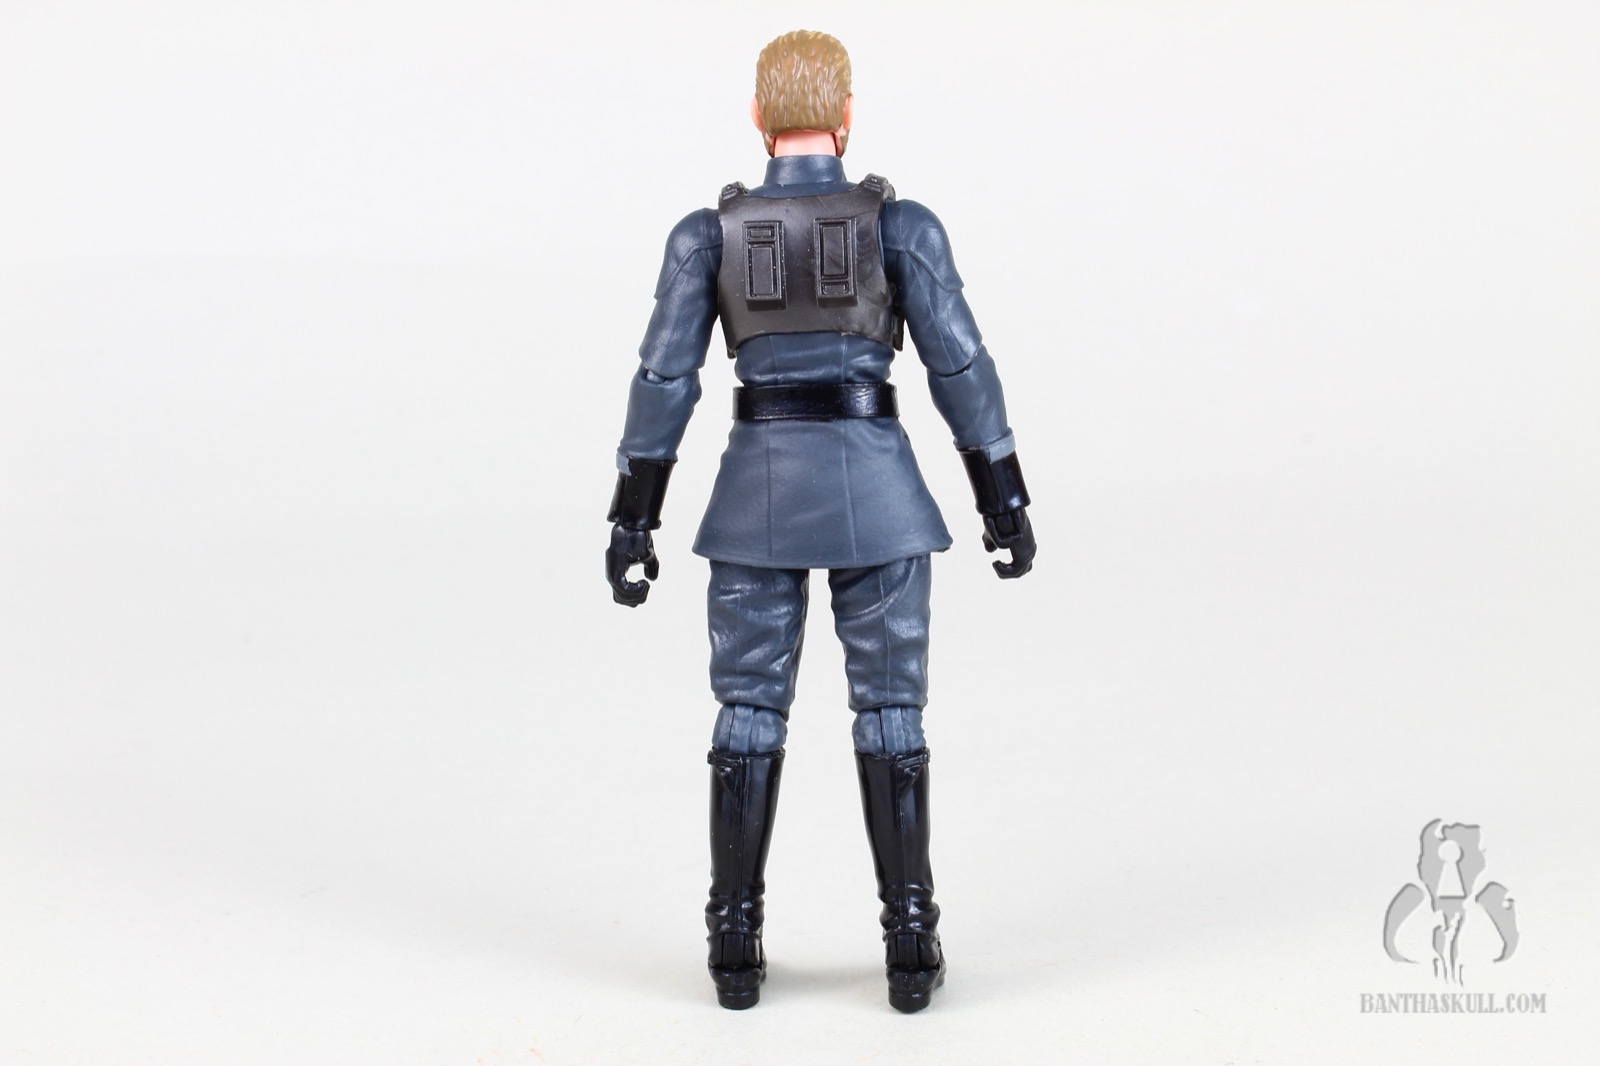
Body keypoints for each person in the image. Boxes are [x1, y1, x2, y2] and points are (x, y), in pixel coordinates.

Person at [604, 29, 1036, 1013]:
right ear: (846, 116)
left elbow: (664, 380)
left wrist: (635, 514)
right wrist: (1001, 494)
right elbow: (960, 367)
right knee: (891, 710)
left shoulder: (708, 237)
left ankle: (733, 937)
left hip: (755, 498)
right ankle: (910, 937)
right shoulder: (900, 228)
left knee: (748, 709)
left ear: (759, 118)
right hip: (878, 495)